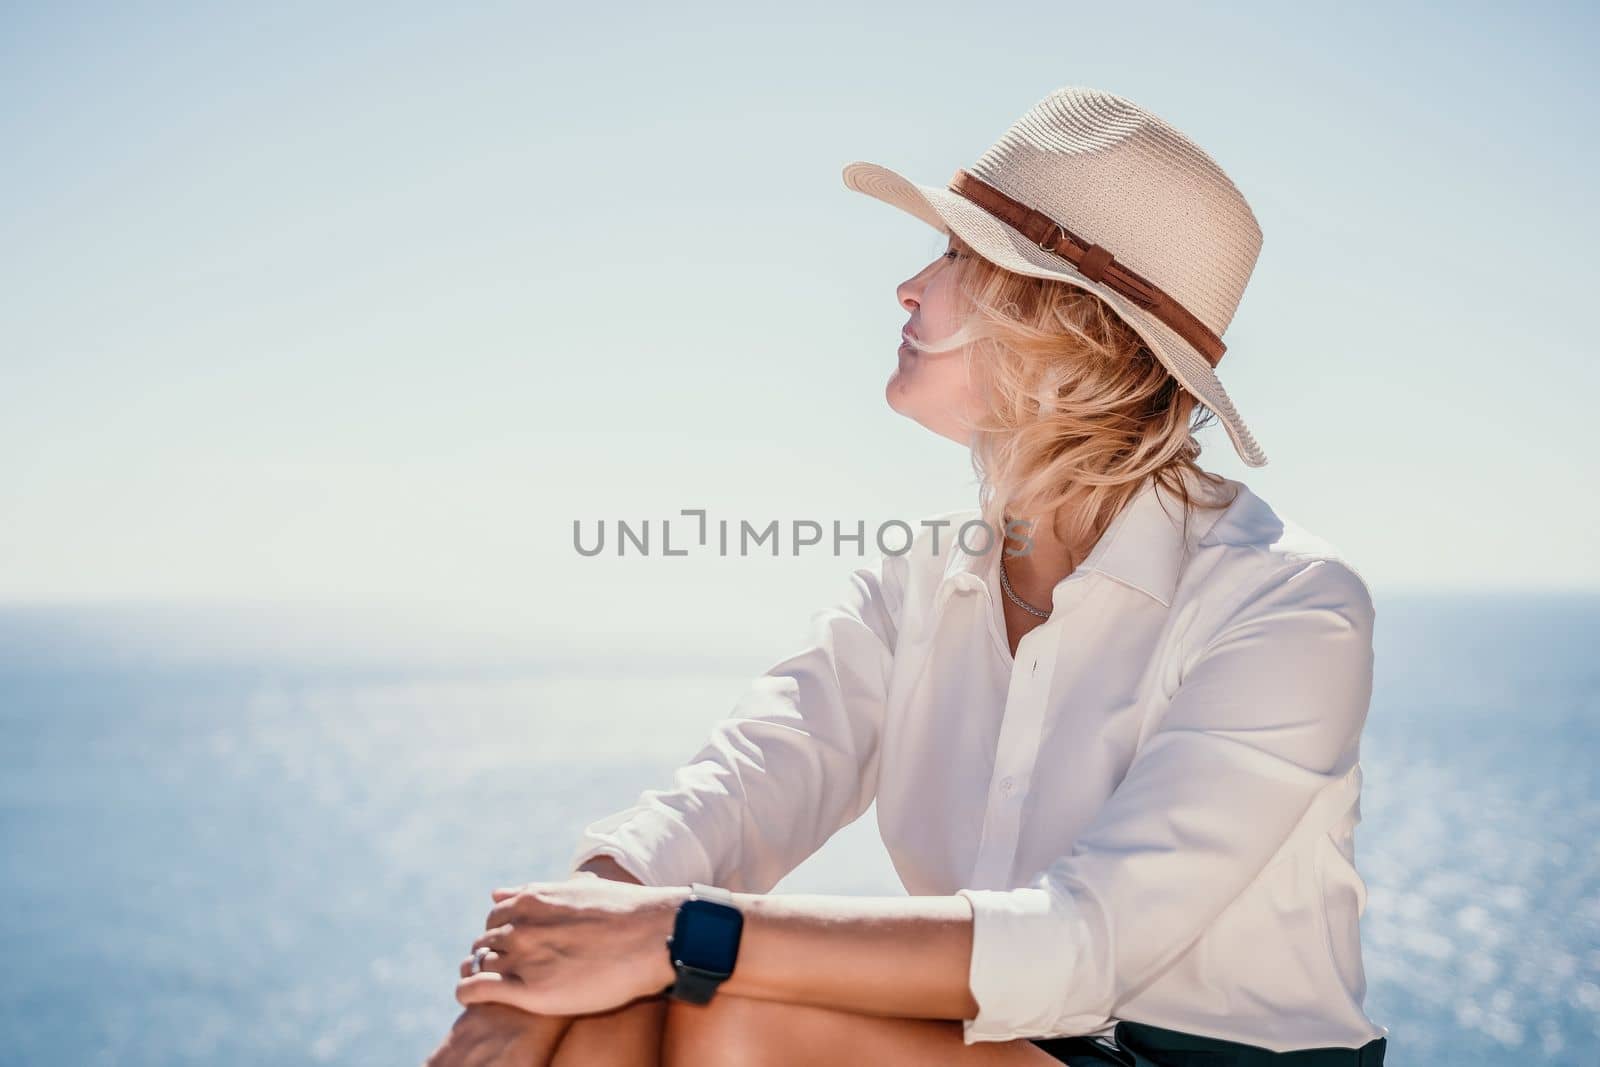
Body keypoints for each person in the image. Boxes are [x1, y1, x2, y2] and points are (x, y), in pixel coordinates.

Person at [425, 85, 1390, 1067]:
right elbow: (742, 788)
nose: (907, 287)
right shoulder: (921, 579)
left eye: (959, 256)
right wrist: (525, 990)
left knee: (724, 1010)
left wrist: (681, 934)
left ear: (1061, 327)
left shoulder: (1287, 603)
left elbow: (1084, 943)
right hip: (1006, 1043)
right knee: (615, 1002)